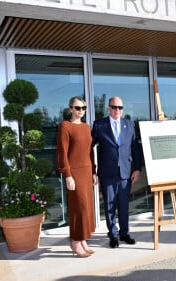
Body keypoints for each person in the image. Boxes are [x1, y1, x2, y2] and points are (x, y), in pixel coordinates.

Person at [92, 96, 142, 248]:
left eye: (120, 108)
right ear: (108, 108)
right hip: (107, 172)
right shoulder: (99, 125)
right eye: (114, 107)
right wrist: (91, 170)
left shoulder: (129, 124)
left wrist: (138, 169)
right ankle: (113, 234)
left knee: (124, 205)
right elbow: (88, 147)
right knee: (109, 205)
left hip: (126, 172)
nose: (117, 110)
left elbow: (135, 148)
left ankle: (124, 233)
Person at [57, 96, 98, 258]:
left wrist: (94, 171)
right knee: (78, 208)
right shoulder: (65, 126)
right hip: (74, 173)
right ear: (70, 109)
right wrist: (67, 175)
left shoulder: (87, 127)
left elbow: (90, 152)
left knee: (86, 208)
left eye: (83, 108)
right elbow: (62, 153)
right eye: (77, 108)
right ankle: (75, 241)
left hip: (87, 172)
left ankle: (82, 240)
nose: (81, 111)